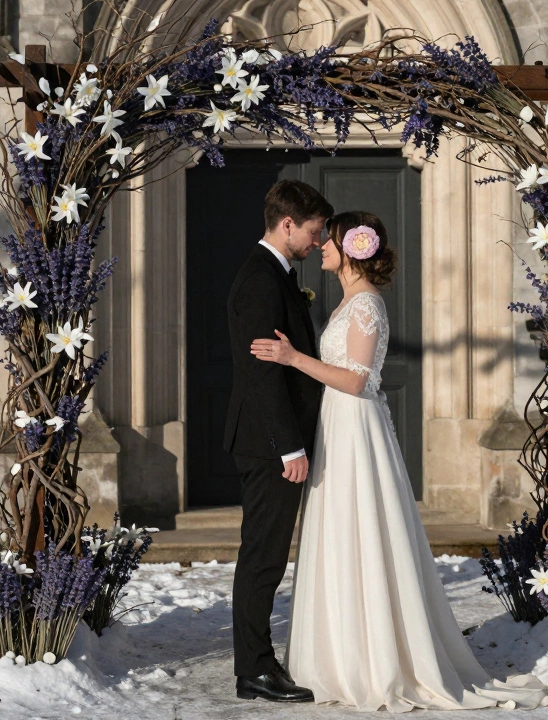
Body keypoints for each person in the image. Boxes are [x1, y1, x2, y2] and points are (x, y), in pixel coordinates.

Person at [250, 211, 548, 711]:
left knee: (363, 532)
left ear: (351, 249)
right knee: (340, 535)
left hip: (357, 431)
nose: (321, 244)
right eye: (320, 236)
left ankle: (374, 661)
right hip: (339, 428)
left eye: (331, 239)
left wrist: (293, 359)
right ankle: (339, 656)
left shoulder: (366, 304)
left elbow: (357, 380)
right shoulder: (350, 301)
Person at [223, 179, 331, 703]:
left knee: (267, 554)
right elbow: (260, 372)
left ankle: (258, 662)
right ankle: (254, 668)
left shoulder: (278, 274)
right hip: (269, 445)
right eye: (314, 231)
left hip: (275, 441)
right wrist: (289, 446)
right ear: (287, 224)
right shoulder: (261, 280)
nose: (319, 241)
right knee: (263, 556)